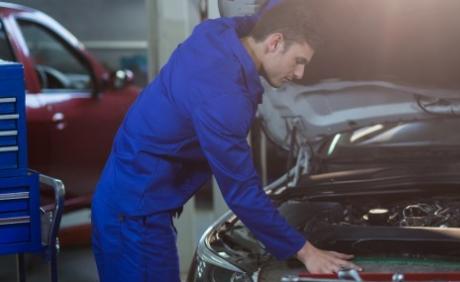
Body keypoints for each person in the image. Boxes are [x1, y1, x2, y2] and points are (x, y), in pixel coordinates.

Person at [90, 0, 361, 281]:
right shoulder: (223, 96)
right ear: (275, 42)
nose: (300, 74)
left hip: (128, 200)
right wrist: (305, 251)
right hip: (134, 216)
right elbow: (241, 191)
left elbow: (259, 19)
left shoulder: (219, 33)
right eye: (299, 60)